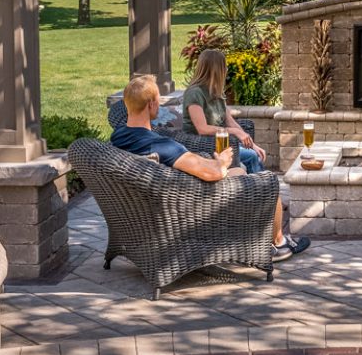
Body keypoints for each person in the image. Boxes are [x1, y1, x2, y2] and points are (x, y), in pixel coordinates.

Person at [113, 74, 308, 262]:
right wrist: (221, 162)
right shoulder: (159, 145)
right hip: (190, 202)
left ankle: (255, 237)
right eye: (158, 100)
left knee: (240, 171)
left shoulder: (120, 136)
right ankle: (278, 243)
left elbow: (190, 164)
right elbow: (213, 173)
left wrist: (211, 162)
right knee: (268, 183)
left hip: (164, 198)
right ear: (151, 105)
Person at [182, 49, 267, 174]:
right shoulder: (194, 93)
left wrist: (252, 145)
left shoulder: (217, 93)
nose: (226, 70)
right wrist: (235, 132)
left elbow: (231, 122)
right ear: (216, 70)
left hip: (218, 143)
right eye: (224, 67)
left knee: (254, 154)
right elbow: (202, 129)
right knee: (251, 157)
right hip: (201, 145)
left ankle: (261, 190)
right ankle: (260, 190)